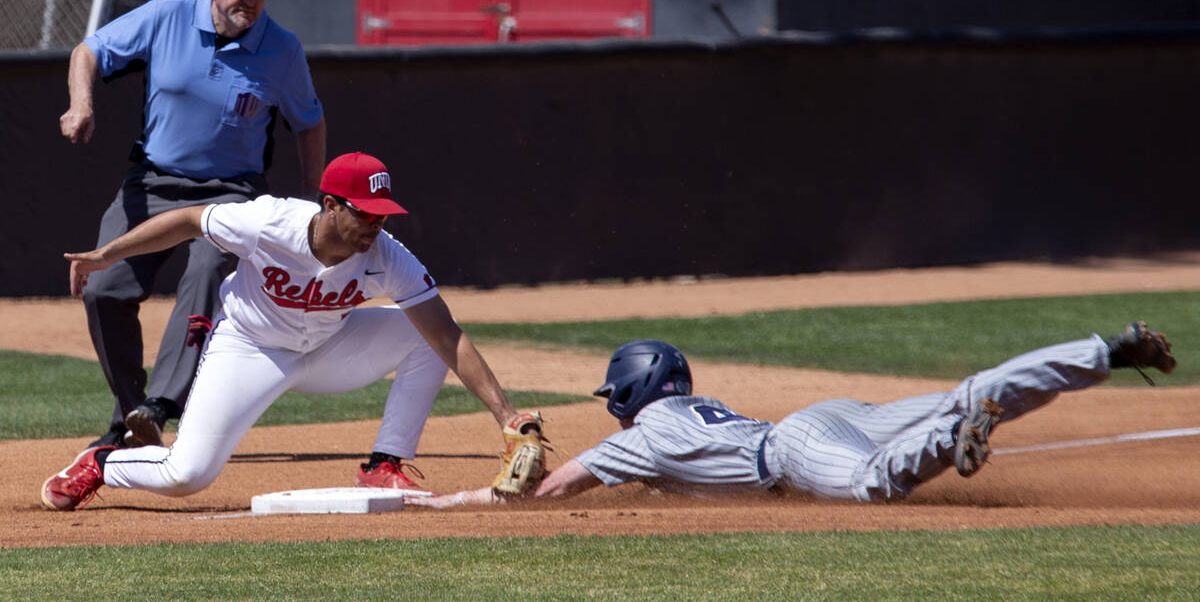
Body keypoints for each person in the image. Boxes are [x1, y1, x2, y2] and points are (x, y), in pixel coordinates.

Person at [41, 151, 539, 511]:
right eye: (365, 213)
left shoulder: (388, 256)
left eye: (383, 214)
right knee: (187, 475)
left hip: (330, 348)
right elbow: (188, 220)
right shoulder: (267, 222)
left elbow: (448, 335)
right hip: (249, 348)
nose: (375, 226)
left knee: (428, 337)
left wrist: (507, 416)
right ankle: (103, 463)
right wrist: (107, 255)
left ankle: (384, 465)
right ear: (331, 205)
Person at [406, 324, 1176, 508]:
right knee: (967, 388)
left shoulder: (644, 440)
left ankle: (953, 437)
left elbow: (538, 496)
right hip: (816, 419)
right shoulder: (690, 415)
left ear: (635, 392)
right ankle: (1101, 350)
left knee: (875, 487)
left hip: (797, 451)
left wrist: (462, 498)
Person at [59, 0, 327, 451]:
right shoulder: (166, 16)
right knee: (103, 290)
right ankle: (130, 417)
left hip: (232, 193)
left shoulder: (282, 49)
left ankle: (160, 406)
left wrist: (312, 202)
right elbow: (87, 52)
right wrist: (81, 105)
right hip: (153, 182)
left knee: (205, 272)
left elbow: (309, 122)